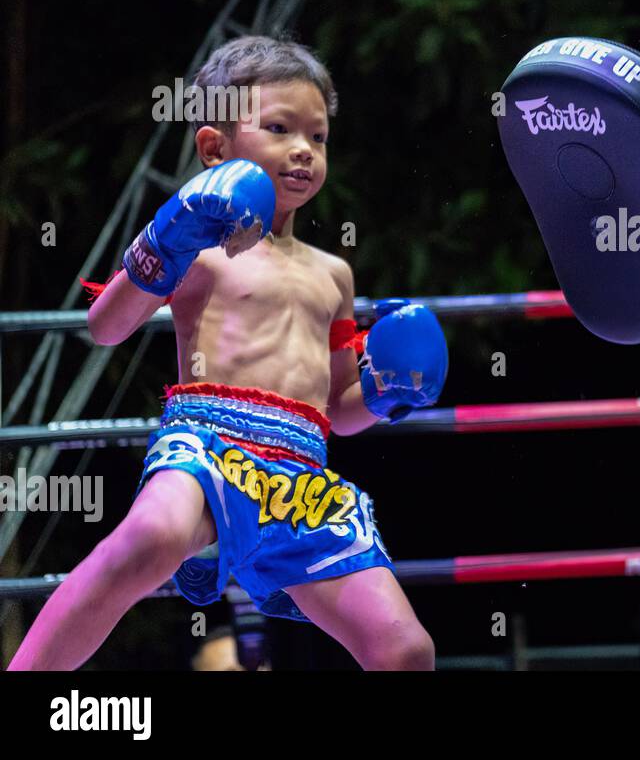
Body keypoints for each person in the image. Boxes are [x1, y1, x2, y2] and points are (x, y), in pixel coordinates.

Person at [8, 36, 447, 671]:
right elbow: (105, 326)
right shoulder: (203, 247)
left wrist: (385, 393)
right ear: (216, 146)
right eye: (279, 128)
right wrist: (168, 238)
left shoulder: (335, 275)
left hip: (303, 476)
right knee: (152, 536)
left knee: (405, 648)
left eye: (318, 137)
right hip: (209, 443)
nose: (303, 149)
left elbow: (338, 411)